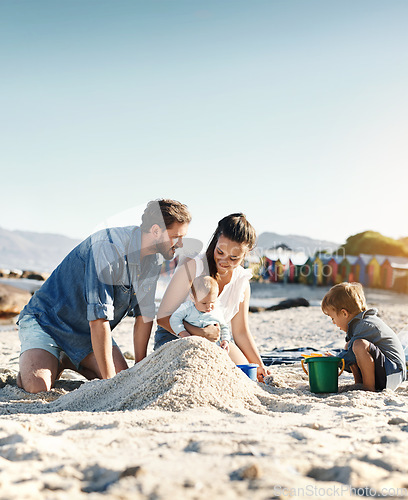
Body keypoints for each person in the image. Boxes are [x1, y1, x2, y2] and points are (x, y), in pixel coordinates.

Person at [17, 199, 191, 393]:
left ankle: (69, 359)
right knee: (37, 388)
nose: (180, 243)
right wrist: (110, 386)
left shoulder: (155, 258)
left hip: (87, 335)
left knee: (125, 380)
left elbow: (144, 316)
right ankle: (48, 359)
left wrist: (140, 369)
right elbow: (99, 320)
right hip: (48, 323)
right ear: (156, 231)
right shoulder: (108, 247)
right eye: (177, 236)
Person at [154, 213, 270, 382]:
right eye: (220, 251)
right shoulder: (193, 266)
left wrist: (259, 365)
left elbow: (241, 332)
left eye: (233, 258)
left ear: (246, 253)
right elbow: (163, 318)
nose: (223, 261)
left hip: (218, 341)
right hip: (175, 336)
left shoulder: (242, 282)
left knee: (245, 377)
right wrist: (200, 333)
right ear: (215, 240)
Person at [322, 282, 406, 391]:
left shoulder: (365, 325)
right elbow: (351, 354)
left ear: (344, 313)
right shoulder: (358, 324)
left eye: (332, 318)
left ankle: (368, 387)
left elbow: (351, 355)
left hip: (392, 372)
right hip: (386, 372)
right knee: (349, 346)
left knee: (358, 345)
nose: (333, 322)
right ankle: (360, 383)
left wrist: (336, 360)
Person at [169, 275, 231, 351]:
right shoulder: (187, 308)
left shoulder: (217, 311)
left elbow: (224, 327)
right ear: (193, 298)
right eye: (204, 303)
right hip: (189, 343)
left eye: (212, 302)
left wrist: (225, 340)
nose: (209, 306)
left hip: (211, 345)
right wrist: (182, 332)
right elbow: (174, 318)